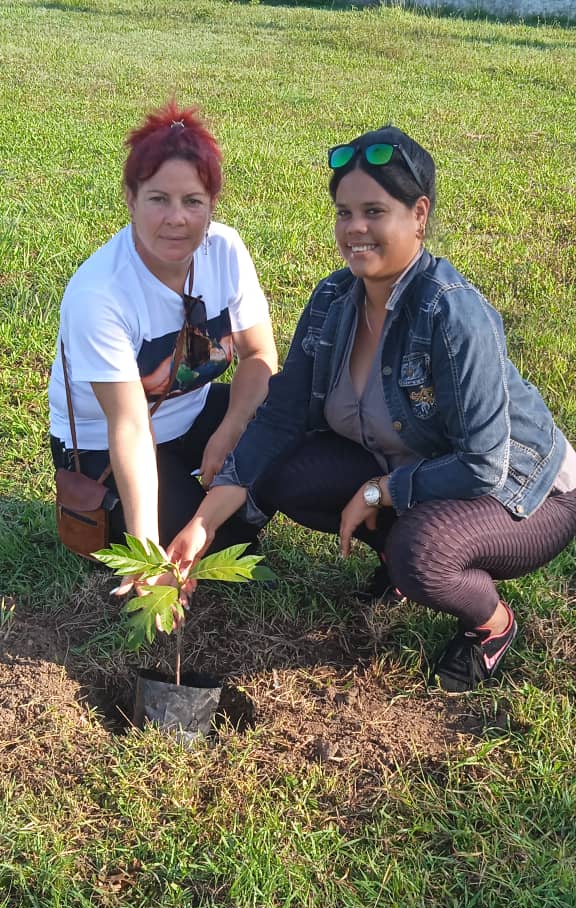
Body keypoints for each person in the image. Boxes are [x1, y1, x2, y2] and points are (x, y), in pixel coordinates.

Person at [164, 125, 576, 692]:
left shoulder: (452, 316)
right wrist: (200, 527)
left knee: (423, 552)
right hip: (418, 473)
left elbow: (484, 466)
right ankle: (396, 559)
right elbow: (279, 420)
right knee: (285, 472)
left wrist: (382, 490)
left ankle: (491, 624)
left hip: (525, 493)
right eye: (344, 212)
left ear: (419, 215)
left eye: (374, 211)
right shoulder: (335, 300)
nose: (355, 228)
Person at [49, 100, 277, 553]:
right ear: (131, 200)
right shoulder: (101, 292)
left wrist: (230, 428)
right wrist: (148, 554)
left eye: (193, 201)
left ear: (212, 205)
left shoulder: (225, 251)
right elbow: (129, 427)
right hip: (107, 444)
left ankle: (227, 499)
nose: (177, 218)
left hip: (193, 414)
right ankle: (219, 510)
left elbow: (260, 357)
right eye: (158, 199)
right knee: (211, 539)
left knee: (295, 430)